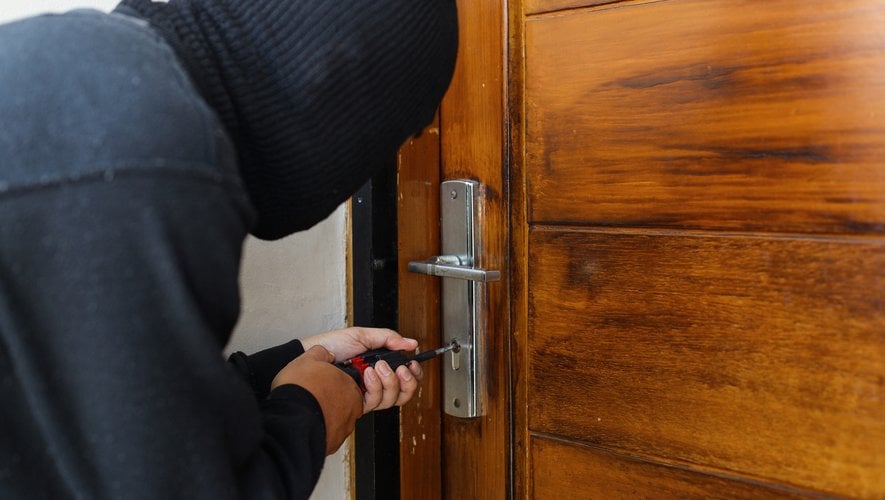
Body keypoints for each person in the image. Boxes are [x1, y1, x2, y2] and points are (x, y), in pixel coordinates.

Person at [0, 0, 458, 497]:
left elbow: (107, 419)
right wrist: (309, 414)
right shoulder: (151, 158)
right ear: (335, 76)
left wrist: (287, 365)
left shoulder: (89, 80)